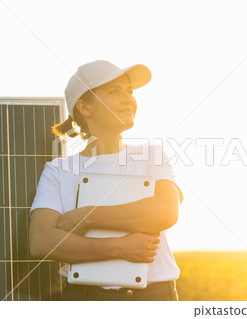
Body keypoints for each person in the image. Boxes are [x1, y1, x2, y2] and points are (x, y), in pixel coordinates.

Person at [29, 60, 184, 301]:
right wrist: (119, 246)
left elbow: (164, 211)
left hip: (154, 297)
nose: (128, 99)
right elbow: (41, 240)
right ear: (85, 107)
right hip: (85, 297)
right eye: (114, 91)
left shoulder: (152, 156)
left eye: (129, 91)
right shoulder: (58, 170)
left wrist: (88, 215)